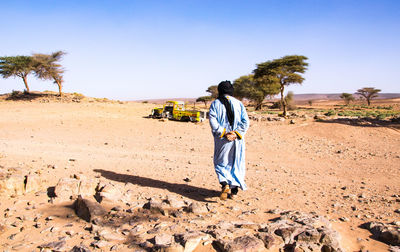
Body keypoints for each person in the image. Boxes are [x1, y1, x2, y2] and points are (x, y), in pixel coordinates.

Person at [209, 80, 250, 200]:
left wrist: (224, 133)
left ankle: (225, 183)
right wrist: (236, 133)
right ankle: (234, 192)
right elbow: (245, 122)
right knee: (236, 163)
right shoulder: (239, 104)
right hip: (237, 140)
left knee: (221, 162)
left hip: (223, 140)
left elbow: (213, 121)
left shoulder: (215, 104)